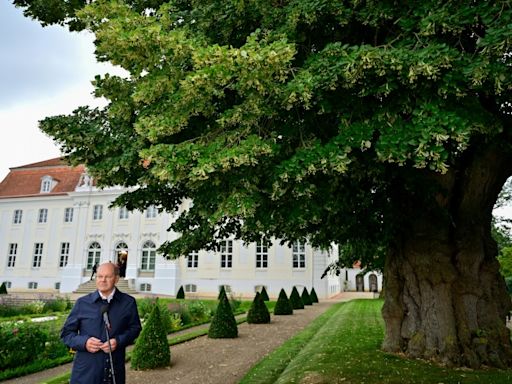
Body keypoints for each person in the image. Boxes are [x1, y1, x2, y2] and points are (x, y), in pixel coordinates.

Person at [61, 262, 142, 384]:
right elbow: (66, 334)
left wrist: (118, 341)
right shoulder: (82, 303)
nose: (102, 280)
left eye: (108, 277)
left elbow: (135, 329)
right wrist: (84, 342)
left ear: (116, 279)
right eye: (99, 276)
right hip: (85, 374)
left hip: (114, 372)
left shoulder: (128, 302)